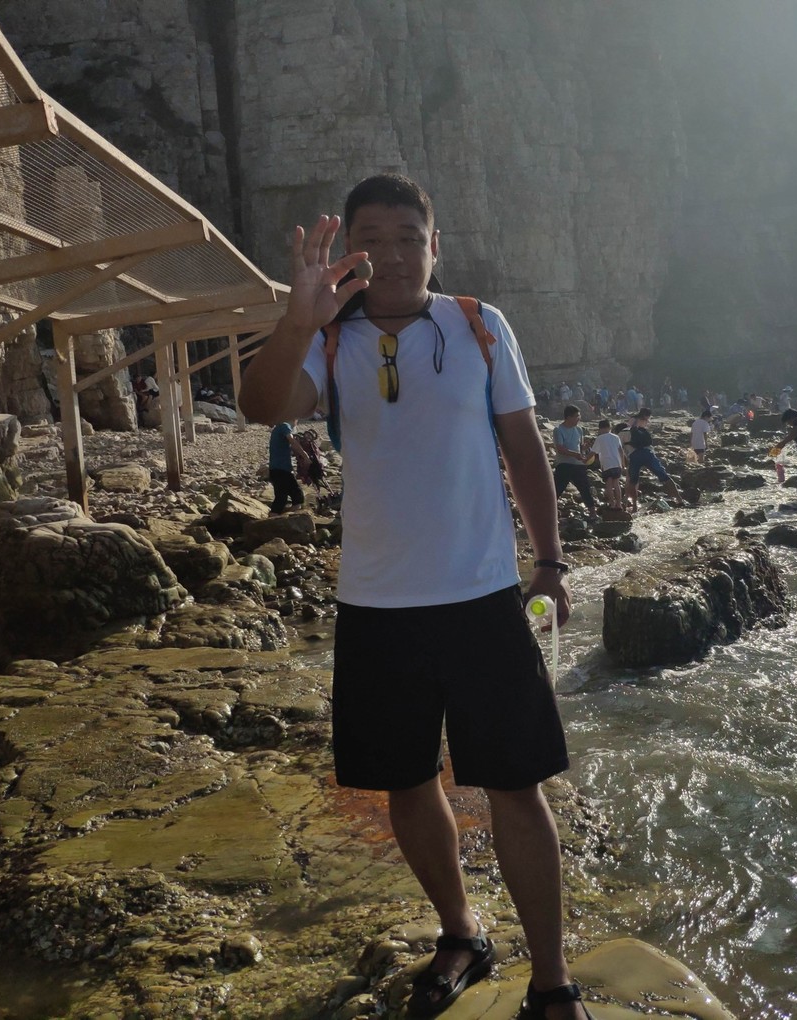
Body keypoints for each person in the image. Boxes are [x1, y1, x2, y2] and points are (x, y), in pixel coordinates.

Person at [236, 174, 593, 1019]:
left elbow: (523, 446)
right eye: (373, 239)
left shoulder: (479, 324)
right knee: (405, 781)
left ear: (435, 246)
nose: (393, 255)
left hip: (483, 597)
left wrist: (550, 562)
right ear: (350, 252)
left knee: (517, 786)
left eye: (409, 238)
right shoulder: (329, 340)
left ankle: (552, 981)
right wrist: (298, 320)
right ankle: (462, 932)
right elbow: (260, 407)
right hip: (375, 606)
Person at [625, 407, 682, 509]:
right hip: (648, 452)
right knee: (664, 476)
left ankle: (634, 506)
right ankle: (679, 499)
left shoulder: (633, 420)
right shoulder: (644, 423)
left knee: (633, 480)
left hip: (634, 454)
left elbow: (627, 434)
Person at [552, 405, 596, 523]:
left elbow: (580, 447)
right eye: (576, 416)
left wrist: (585, 447)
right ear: (568, 417)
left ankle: (593, 513)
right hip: (564, 464)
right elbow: (560, 449)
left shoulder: (579, 430)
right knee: (556, 490)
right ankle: (550, 514)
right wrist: (575, 454)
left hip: (578, 464)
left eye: (579, 416)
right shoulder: (558, 430)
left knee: (585, 489)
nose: (579, 418)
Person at [267, 420, 307, 513]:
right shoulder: (284, 426)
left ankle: (284, 516)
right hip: (281, 469)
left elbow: (290, 446)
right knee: (291, 497)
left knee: (288, 496)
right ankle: (278, 518)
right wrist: (306, 456)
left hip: (277, 469)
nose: (296, 421)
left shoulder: (278, 428)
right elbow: (293, 442)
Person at [590, 419, 626, 511]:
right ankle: (619, 504)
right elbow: (621, 451)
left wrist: (585, 459)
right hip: (616, 464)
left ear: (600, 429)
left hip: (606, 464)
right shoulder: (616, 437)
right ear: (610, 428)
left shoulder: (600, 438)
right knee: (616, 484)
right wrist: (623, 463)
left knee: (609, 484)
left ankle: (612, 504)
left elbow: (593, 452)